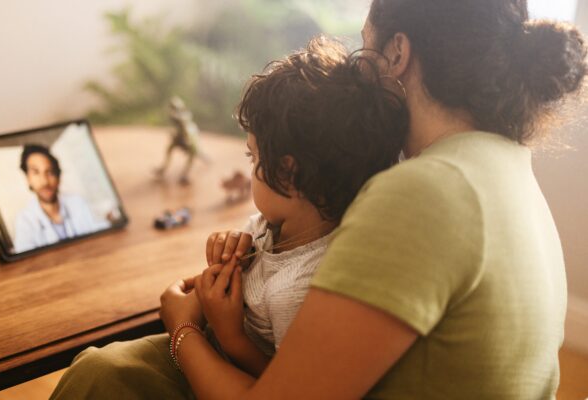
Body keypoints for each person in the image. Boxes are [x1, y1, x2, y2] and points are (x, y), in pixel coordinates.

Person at [155, 1, 587, 399]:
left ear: (398, 53)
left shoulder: (424, 191)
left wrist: (183, 331)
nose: (354, 73)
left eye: (365, 47)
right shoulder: (507, 163)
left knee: (106, 370)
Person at [49, 36, 408, 399]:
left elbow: (281, 384)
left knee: (98, 374)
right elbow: (256, 241)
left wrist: (220, 333)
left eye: (253, 158)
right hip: (209, 344)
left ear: (287, 173)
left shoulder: (298, 291)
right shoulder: (280, 224)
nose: (250, 167)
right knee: (97, 365)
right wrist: (227, 245)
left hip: (222, 367)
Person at [14, 144, 110, 253]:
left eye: (49, 172)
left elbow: (104, 234)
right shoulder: (24, 220)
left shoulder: (78, 203)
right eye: (36, 173)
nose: (45, 181)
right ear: (28, 179)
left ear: (58, 177)